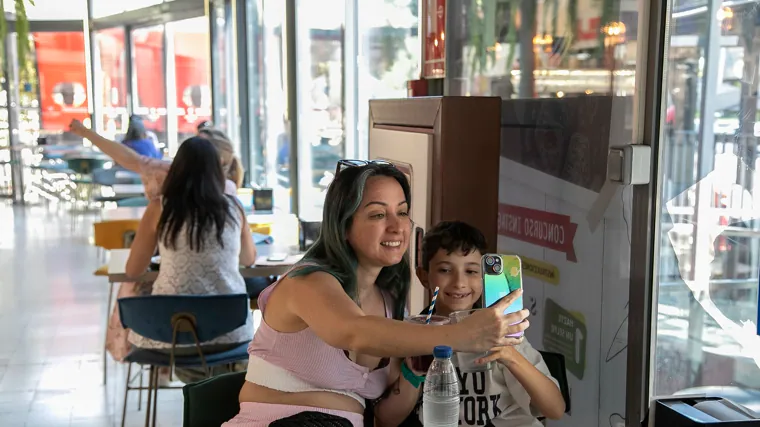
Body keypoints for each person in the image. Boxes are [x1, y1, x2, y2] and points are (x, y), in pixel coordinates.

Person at [223, 161, 529, 427]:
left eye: (403, 212)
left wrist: (415, 371)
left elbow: (387, 418)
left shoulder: (389, 301)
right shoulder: (308, 282)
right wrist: (461, 334)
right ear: (343, 225)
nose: (397, 227)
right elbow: (353, 331)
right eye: (378, 215)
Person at [387, 221, 565, 427]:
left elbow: (554, 409)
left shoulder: (500, 331)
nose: (459, 283)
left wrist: (510, 355)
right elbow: (388, 420)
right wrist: (413, 371)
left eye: (471, 271)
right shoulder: (412, 336)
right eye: (445, 270)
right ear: (424, 276)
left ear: (484, 278)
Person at [125, 136, 256, 383]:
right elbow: (249, 259)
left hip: (171, 334)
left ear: (176, 171)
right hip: (230, 332)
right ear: (218, 171)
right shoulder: (234, 207)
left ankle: (197, 390)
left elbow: (133, 270)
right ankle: (215, 392)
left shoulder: (159, 207)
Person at [68, 119, 239, 200]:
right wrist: (86, 133)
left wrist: (86, 133)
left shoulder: (168, 174)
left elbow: (129, 159)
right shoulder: (228, 191)